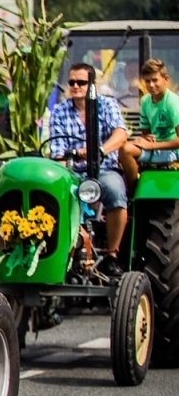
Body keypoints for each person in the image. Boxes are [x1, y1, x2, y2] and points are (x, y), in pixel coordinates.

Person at [47, 63, 130, 262]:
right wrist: (70, 161)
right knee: (51, 198)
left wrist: (98, 151)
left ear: (92, 84)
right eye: (72, 82)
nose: (75, 86)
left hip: (104, 168)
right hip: (72, 171)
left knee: (116, 192)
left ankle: (112, 254)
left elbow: (121, 134)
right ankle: (61, 253)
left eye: (81, 82)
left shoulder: (107, 105)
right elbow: (58, 152)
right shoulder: (60, 111)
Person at [120, 58, 179, 187]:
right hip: (156, 149)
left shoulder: (173, 103)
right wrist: (145, 139)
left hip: (172, 153)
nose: (151, 85)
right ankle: (133, 191)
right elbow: (146, 133)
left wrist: (152, 146)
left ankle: (134, 190)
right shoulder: (146, 101)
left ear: (166, 79)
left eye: (155, 80)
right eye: (148, 81)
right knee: (122, 149)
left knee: (127, 150)